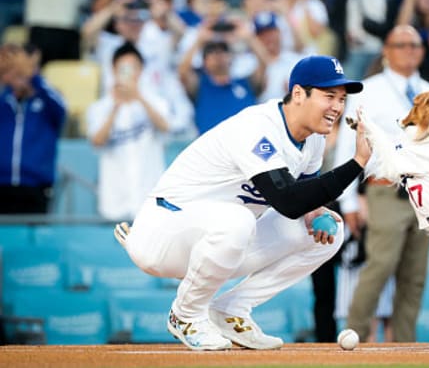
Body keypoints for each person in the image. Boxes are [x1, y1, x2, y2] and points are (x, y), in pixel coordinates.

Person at [113, 55, 370, 351]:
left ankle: (231, 310)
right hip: (163, 234)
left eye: (341, 99)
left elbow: (303, 195)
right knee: (238, 220)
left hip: (220, 242)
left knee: (331, 233)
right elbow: (287, 200)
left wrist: (313, 212)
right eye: (329, 96)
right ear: (298, 93)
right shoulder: (257, 127)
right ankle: (186, 315)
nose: (337, 107)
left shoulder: (313, 140)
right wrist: (357, 162)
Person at [335, 25, 429, 342]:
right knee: (379, 266)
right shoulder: (367, 90)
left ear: (422, 51)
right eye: (401, 44)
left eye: (414, 44)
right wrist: (349, 201)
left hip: (425, 193)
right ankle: (354, 337)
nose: (409, 50)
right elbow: (348, 146)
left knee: (415, 275)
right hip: (385, 189)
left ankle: (405, 347)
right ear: (386, 51)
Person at [86, 42, 170, 221]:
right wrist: (115, 106)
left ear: (141, 70)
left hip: (150, 196)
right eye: (123, 68)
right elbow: (97, 141)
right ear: (114, 69)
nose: (129, 73)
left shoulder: (156, 101)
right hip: (115, 198)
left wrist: (138, 96)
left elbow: (165, 126)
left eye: (134, 68)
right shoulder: (100, 107)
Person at [0, 44, 66, 214]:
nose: (20, 78)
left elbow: (62, 110)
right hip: (2, 185)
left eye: (23, 73)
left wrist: (34, 78)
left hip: (36, 187)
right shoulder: (3, 101)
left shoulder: (47, 102)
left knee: (36, 239)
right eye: (15, 73)